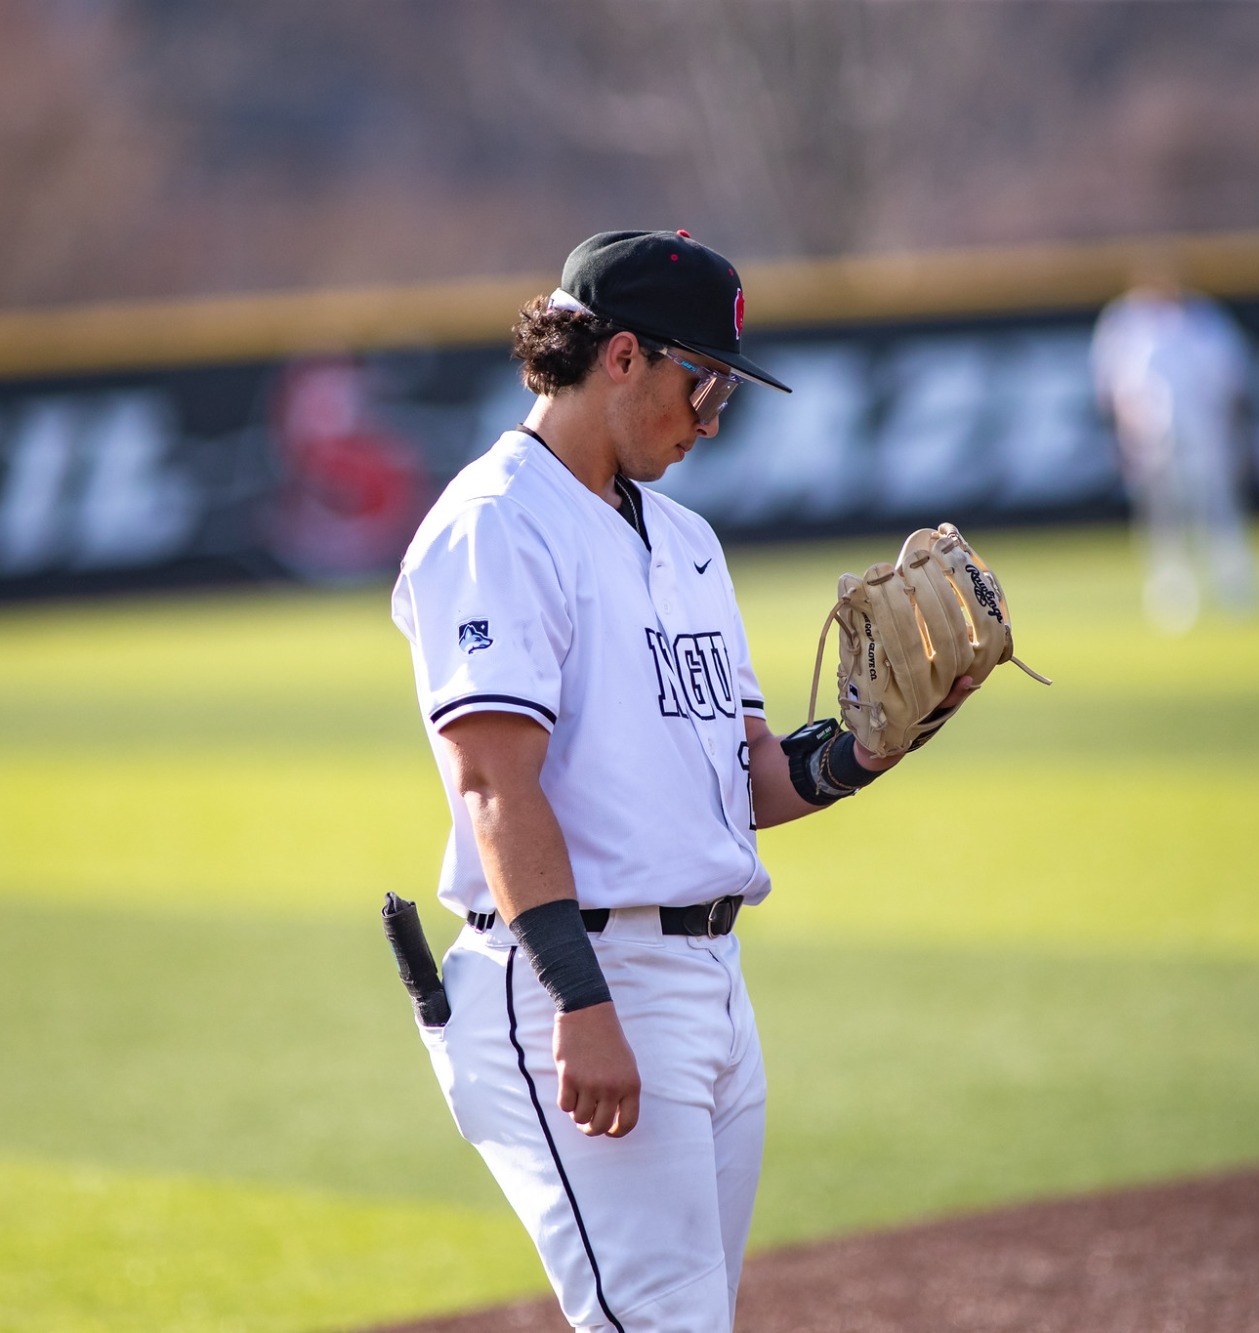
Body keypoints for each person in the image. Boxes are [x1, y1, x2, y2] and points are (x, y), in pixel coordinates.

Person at [389, 230, 977, 1331]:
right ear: (620, 356)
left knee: (687, 1316)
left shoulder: (688, 540)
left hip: (707, 983)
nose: (710, 417)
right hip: (577, 975)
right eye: (700, 382)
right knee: (662, 1322)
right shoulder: (494, 526)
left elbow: (748, 776)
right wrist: (581, 1000)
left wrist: (872, 747)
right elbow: (492, 787)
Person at [1090, 267, 1259, 634]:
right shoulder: (1124, 322)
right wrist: (1126, 436)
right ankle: (1171, 596)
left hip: (1205, 431)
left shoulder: (1203, 319)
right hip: (1152, 437)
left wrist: (1234, 432)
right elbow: (1113, 389)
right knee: (1163, 519)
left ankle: (1236, 586)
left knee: (1218, 510)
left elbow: (1232, 380)